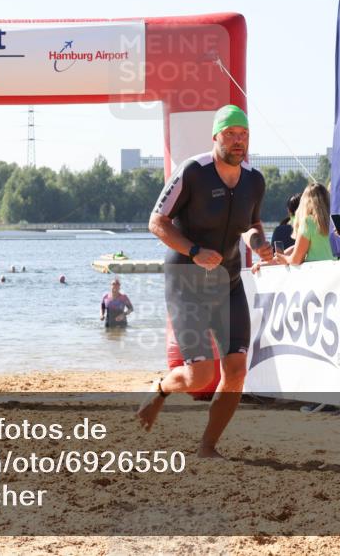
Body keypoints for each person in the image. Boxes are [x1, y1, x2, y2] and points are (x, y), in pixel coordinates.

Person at [138, 104, 273, 458]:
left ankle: (207, 446)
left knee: (236, 370)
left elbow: (252, 226)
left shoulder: (254, 180)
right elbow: (157, 221)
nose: (237, 140)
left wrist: (260, 246)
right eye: (230, 134)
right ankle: (162, 390)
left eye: (243, 134)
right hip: (187, 284)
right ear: (216, 136)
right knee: (199, 376)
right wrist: (194, 250)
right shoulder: (193, 172)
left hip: (227, 284)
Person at [253, 183, 333, 270]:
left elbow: (296, 259)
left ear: (305, 202)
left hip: (315, 272)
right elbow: (298, 248)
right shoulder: (333, 221)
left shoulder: (308, 222)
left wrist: (283, 259)